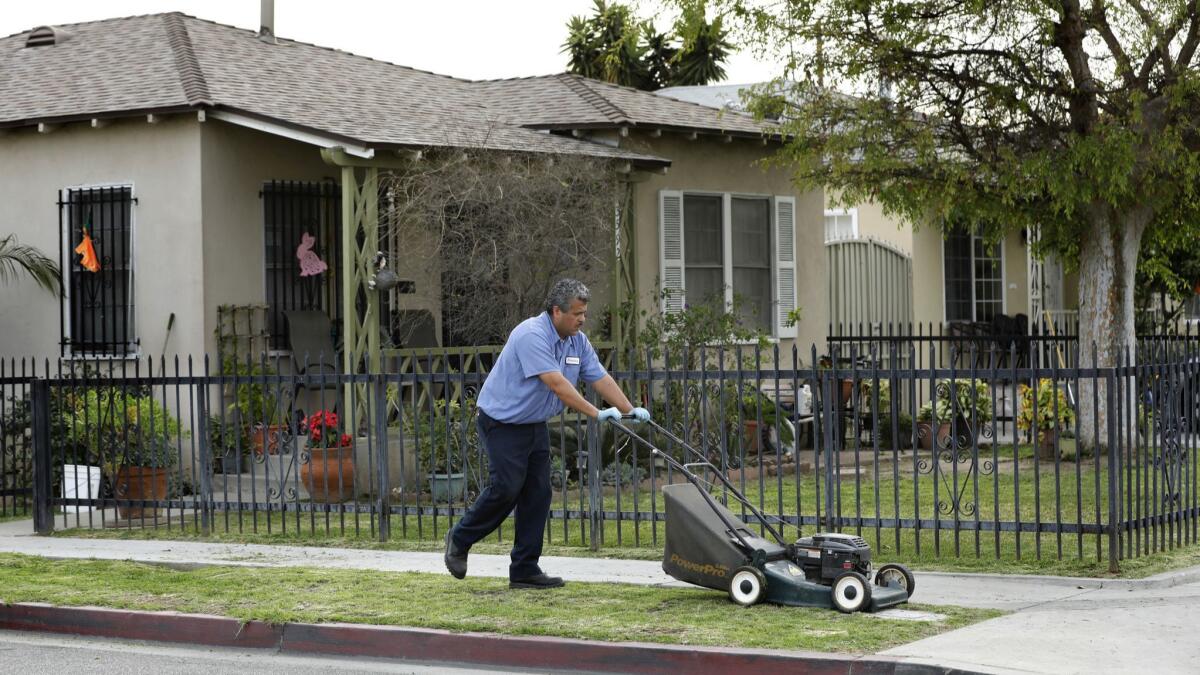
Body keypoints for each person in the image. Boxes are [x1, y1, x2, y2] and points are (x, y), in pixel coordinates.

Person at [444, 278, 649, 589]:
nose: (582, 319)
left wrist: (629, 409)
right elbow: (557, 384)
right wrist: (596, 413)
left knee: (538, 493)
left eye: (584, 313)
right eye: (577, 313)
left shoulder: (577, 341)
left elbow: (599, 377)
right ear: (556, 311)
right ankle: (459, 538)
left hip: (533, 423)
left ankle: (525, 569)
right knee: (507, 486)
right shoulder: (531, 335)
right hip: (502, 422)